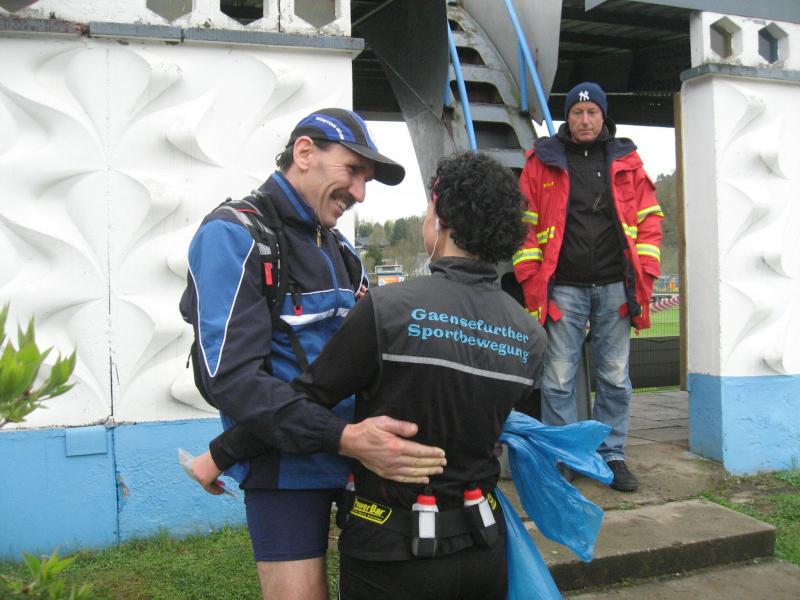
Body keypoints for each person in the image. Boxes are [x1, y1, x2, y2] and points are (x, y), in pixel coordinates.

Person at [192, 152, 547, 600]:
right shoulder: (530, 335)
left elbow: (313, 392)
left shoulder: (389, 309)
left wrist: (221, 453)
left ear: (441, 218)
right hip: (482, 544)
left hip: (394, 547)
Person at [179, 107, 447, 600]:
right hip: (287, 472)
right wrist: (345, 438)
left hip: (362, 463)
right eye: (353, 171)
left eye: (367, 180)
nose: (360, 193)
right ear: (304, 152)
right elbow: (232, 381)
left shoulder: (340, 248)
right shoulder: (233, 235)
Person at [512, 82, 663, 492]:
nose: (584, 120)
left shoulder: (628, 162)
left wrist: (646, 274)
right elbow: (524, 230)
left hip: (616, 287)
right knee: (558, 379)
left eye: (592, 112)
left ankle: (612, 455)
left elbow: (650, 220)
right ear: (567, 118)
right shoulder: (541, 162)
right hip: (563, 288)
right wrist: (533, 285)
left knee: (614, 378)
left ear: (603, 116)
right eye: (576, 113)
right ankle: (564, 456)